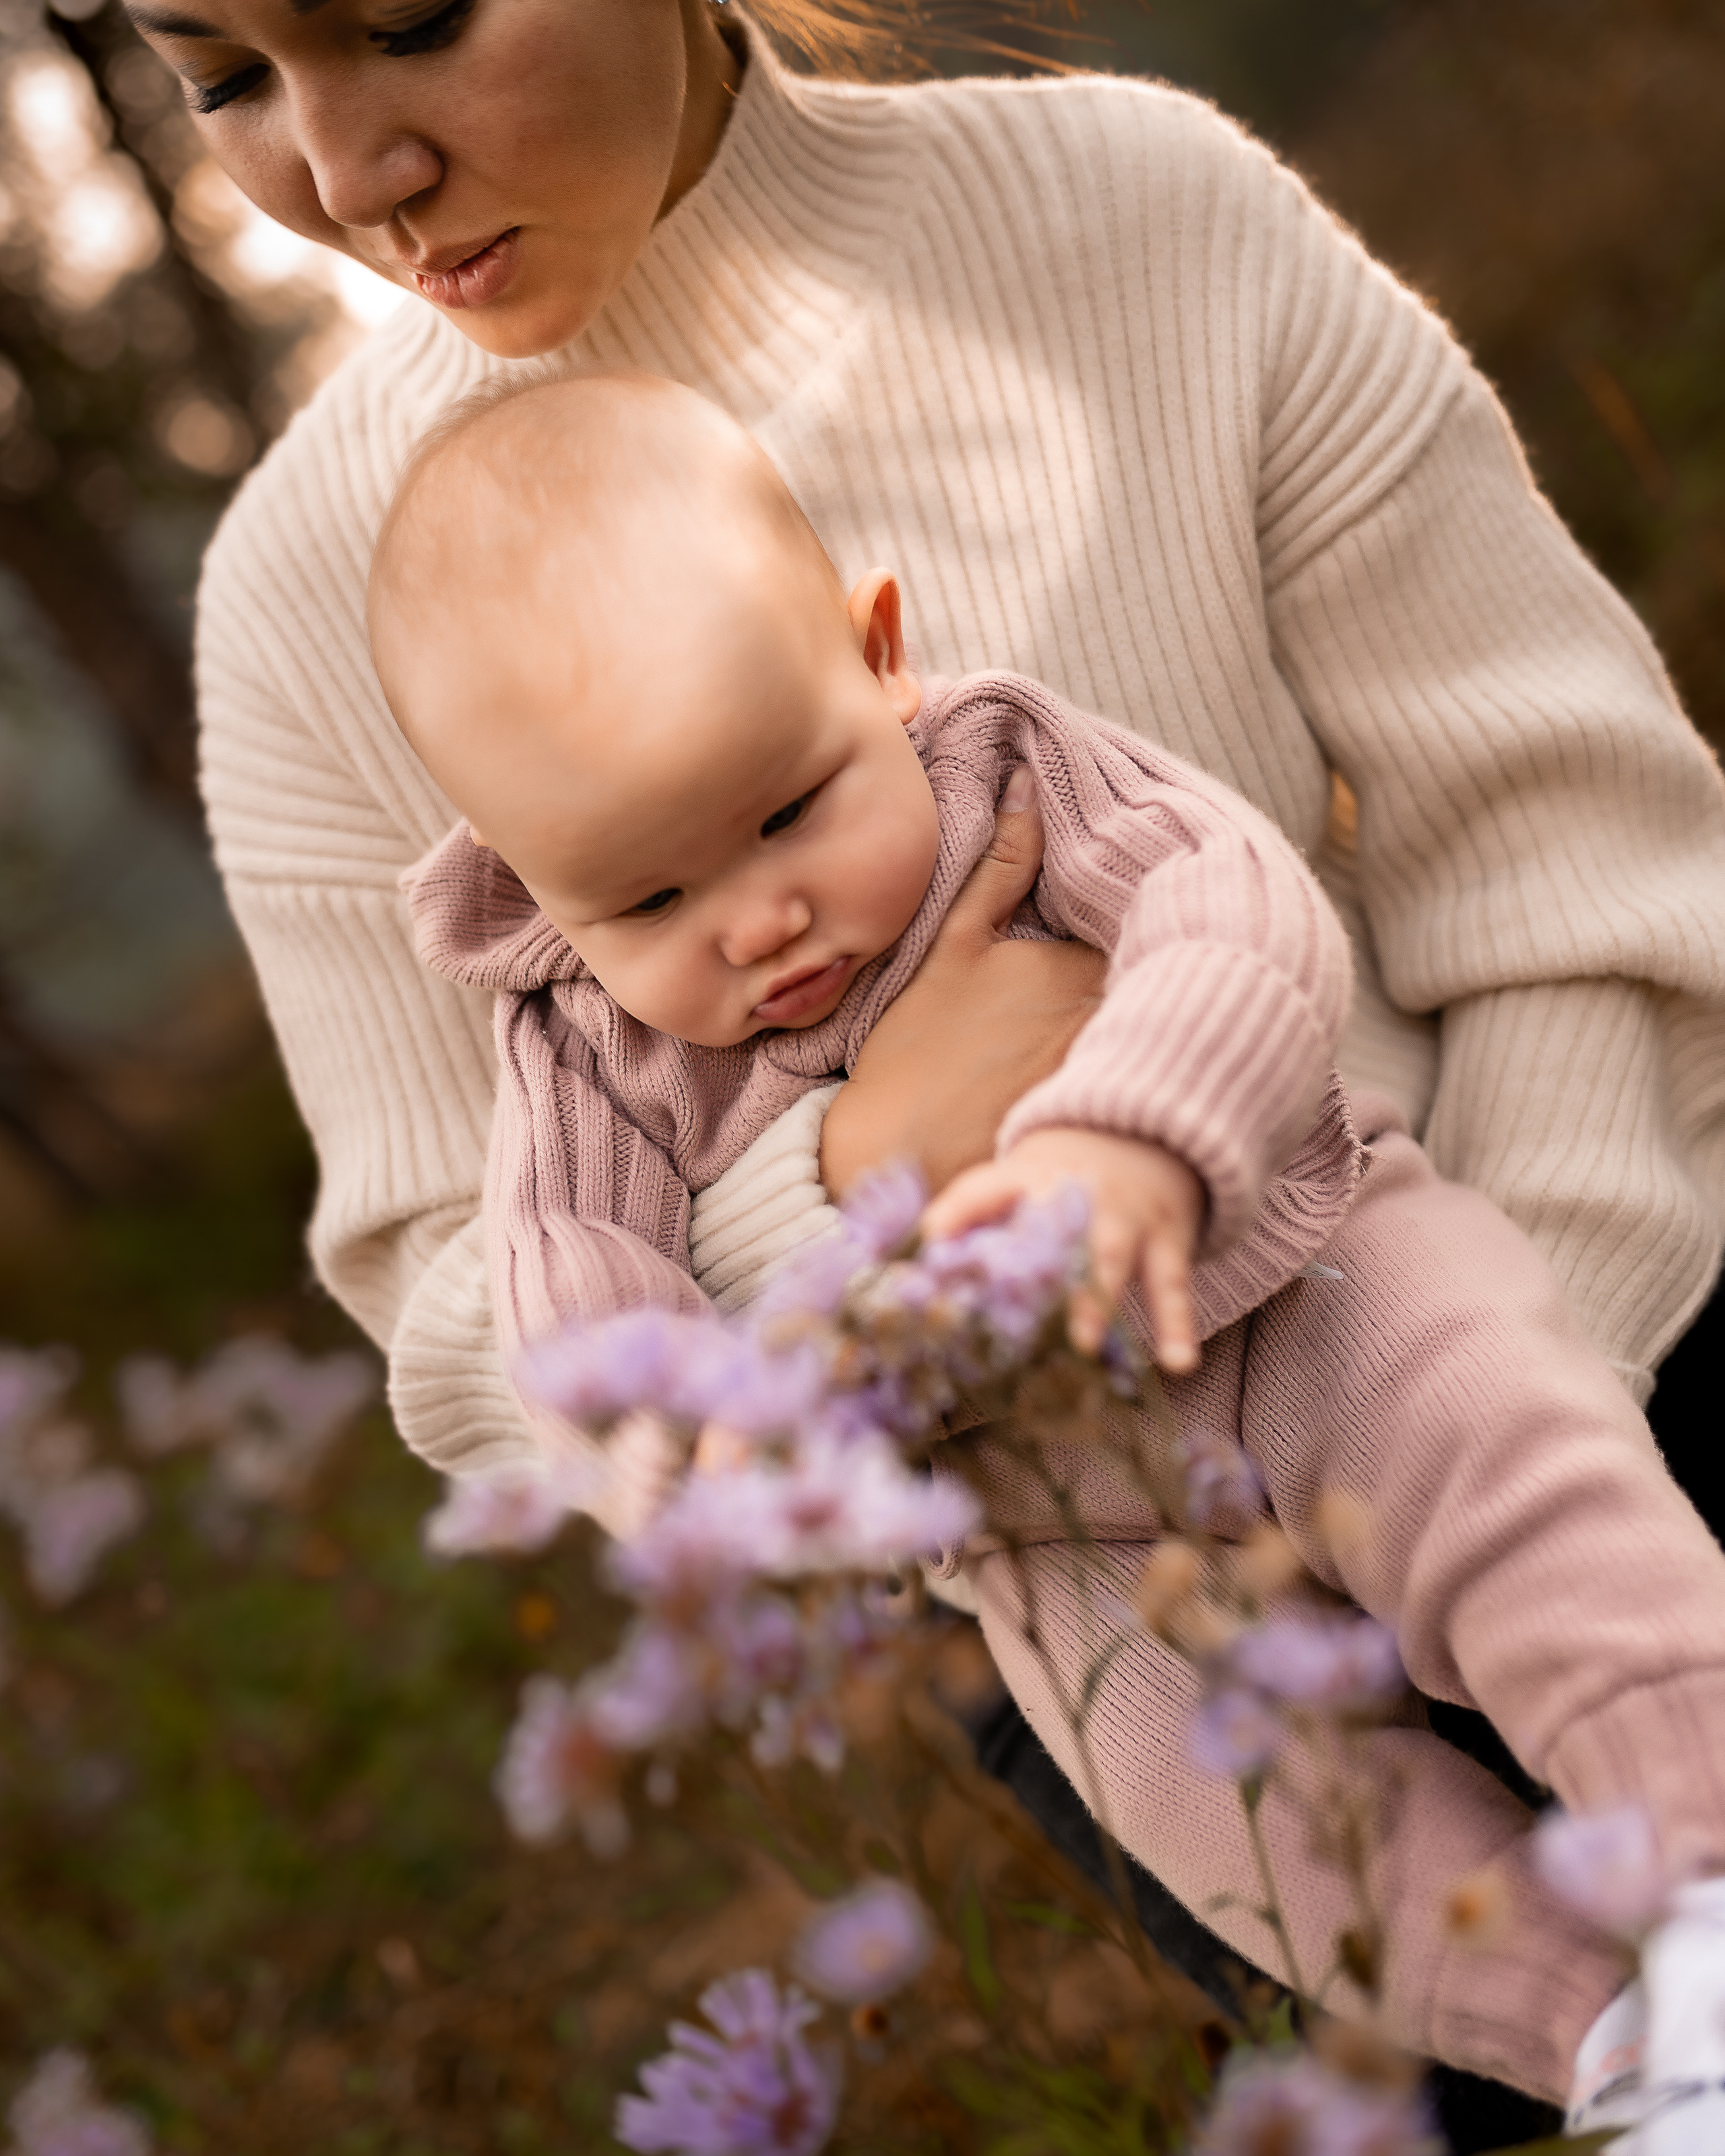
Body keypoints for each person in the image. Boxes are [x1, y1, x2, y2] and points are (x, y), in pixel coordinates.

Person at [142, 0, 1724, 2132]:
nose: (342, 170)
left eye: (411, 17)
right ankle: (1607, 2049)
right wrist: (870, 1196)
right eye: (220, 73)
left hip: (1550, 1334)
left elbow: (1586, 881)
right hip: (1059, 1582)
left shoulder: (1141, 218)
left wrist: (1492, 1404)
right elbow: (466, 1305)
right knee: (1383, 1957)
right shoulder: (305, 605)